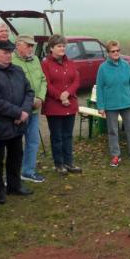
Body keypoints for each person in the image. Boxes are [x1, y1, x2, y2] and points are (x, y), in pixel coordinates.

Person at [0, 41, 35, 204]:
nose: (8, 55)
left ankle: (14, 185)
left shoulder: (17, 70)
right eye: (4, 52)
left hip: (18, 124)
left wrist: (24, 111)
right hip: (0, 125)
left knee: (16, 156)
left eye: (10, 52)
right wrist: (17, 112)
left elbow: (29, 91)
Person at [96, 40, 130, 167]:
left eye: (118, 51)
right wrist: (101, 106)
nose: (116, 53)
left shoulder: (126, 65)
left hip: (127, 103)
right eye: (113, 51)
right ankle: (115, 155)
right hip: (111, 105)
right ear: (108, 53)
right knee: (113, 131)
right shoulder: (103, 68)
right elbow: (99, 88)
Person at [41, 34, 82, 174]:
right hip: (54, 106)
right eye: (59, 46)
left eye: (64, 46)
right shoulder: (45, 64)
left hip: (70, 103)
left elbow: (76, 80)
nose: (62, 48)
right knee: (57, 136)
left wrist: (68, 93)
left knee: (68, 135)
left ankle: (69, 162)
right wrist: (60, 96)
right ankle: (59, 164)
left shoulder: (70, 63)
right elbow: (46, 83)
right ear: (51, 48)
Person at [12, 35, 48, 183]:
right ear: (18, 45)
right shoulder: (12, 62)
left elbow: (43, 80)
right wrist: (28, 101)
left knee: (33, 141)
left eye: (32, 46)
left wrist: (40, 97)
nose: (31, 48)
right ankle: (12, 174)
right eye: (28, 45)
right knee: (14, 144)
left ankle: (28, 171)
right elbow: (11, 87)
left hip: (34, 110)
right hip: (19, 111)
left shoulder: (35, 60)